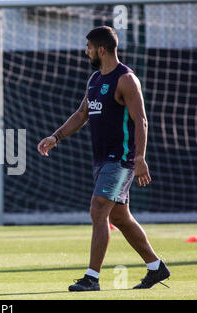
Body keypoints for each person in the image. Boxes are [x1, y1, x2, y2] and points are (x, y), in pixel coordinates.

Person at [37, 26, 170, 291]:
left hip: (121, 158)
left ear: (101, 49)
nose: (85, 52)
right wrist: (56, 137)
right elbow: (81, 114)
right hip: (101, 160)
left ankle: (92, 278)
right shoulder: (95, 80)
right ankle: (156, 267)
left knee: (98, 209)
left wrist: (140, 157)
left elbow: (141, 120)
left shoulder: (126, 79)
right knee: (120, 217)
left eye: (88, 47)